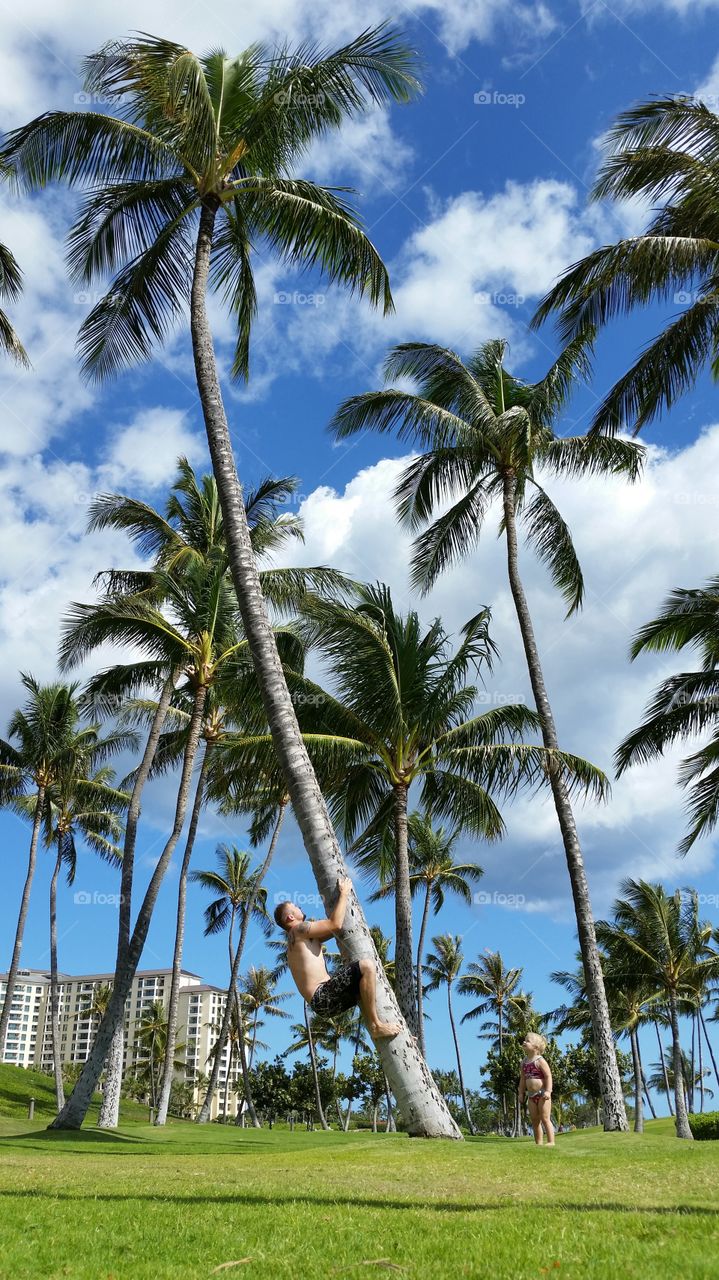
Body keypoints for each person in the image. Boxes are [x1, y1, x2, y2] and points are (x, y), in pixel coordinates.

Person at [274, 876, 401, 1039]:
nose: (300, 907)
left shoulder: (295, 942)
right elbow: (335, 924)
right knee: (367, 966)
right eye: (296, 906)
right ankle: (376, 1026)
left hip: (323, 1003)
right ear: (291, 917)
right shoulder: (299, 929)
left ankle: (399, 1033)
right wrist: (344, 893)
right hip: (323, 996)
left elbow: (333, 931)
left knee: (366, 988)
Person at [518, 1031, 555, 1147]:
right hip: (531, 1095)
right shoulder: (523, 1062)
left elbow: (548, 1076)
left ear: (536, 1047)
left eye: (527, 1041)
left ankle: (550, 1141)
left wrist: (548, 1091)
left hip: (543, 1094)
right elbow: (523, 1079)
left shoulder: (540, 1061)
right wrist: (521, 1093)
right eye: (524, 1040)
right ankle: (538, 1142)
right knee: (534, 1120)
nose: (524, 1042)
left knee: (545, 1118)